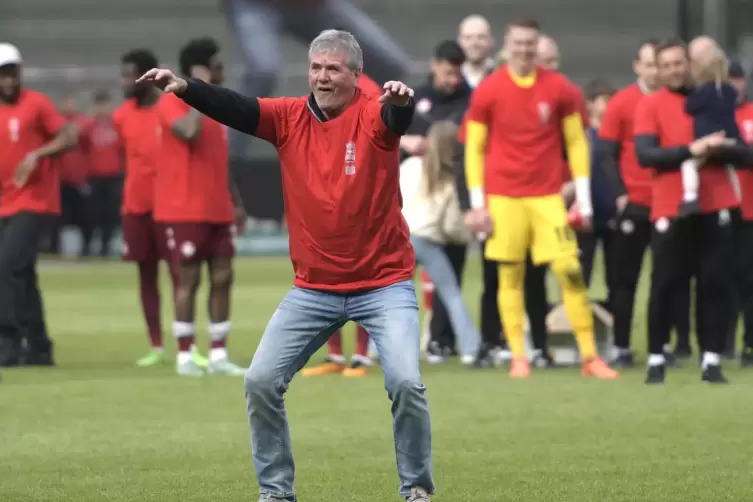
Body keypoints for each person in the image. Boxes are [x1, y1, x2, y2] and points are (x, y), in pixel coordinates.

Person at [136, 29, 434, 501]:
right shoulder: (288, 117)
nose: (321, 76)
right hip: (314, 289)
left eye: (333, 69)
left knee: (404, 381)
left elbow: (394, 119)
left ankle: (416, 489)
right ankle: (276, 493)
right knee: (259, 381)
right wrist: (187, 87)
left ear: (356, 76)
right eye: (316, 67)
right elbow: (237, 106)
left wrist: (400, 103)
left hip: (384, 284)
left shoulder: (373, 113)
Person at [463, 18, 618, 379]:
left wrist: (583, 199)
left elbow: (578, 142)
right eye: (518, 43)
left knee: (570, 270)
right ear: (507, 44)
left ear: (539, 46)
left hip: (548, 196)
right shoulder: (489, 90)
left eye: (530, 44)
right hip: (504, 196)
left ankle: (590, 357)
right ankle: (519, 355)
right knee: (510, 275)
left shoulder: (561, 89)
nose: (524, 50)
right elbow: (474, 147)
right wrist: (477, 202)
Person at [634, 39, 750, 385]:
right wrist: (691, 150)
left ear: (688, 64)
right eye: (665, 65)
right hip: (672, 206)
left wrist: (718, 149)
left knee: (715, 284)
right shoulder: (651, 105)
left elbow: (744, 152)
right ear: (657, 69)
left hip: (717, 204)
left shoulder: (713, 97)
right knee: (666, 284)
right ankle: (657, 355)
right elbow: (646, 155)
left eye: (677, 63)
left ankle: (711, 359)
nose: (673, 70)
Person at [154, 38, 247, 377]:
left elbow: (219, 162)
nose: (222, 72)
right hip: (186, 209)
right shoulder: (169, 104)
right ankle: (184, 356)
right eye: (216, 66)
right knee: (187, 281)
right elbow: (190, 133)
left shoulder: (221, 108)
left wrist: (236, 203)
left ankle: (219, 355)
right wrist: (198, 92)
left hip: (219, 208)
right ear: (201, 70)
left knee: (223, 277)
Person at [597, 38, 691, 367]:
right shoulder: (622, 102)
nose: (654, 71)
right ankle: (621, 346)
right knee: (625, 280)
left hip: (671, 204)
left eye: (659, 64)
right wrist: (620, 192)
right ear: (637, 66)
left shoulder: (681, 102)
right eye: (649, 64)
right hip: (636, 202)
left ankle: (665, 345)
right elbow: (606, 152)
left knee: (670, 278)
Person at [222, 0, 410, 161]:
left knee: (390, 66)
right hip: (256, 6)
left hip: (312, 6)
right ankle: (222, 155)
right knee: (263, 71)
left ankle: (355, 143)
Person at [0, 43, 76, 367]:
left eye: (12, 72)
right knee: (22, 273)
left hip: (34, 201)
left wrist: (37, 154)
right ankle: (40, 347)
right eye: (3, 74)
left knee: (7, 265)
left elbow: (68, 136)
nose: (9, 80)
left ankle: (9, 342)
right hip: (4, 202)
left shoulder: (36, 104)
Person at [302, 75, 380, 378]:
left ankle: (361, 356)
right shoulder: (318, 94)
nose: (326, 73)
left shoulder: (370, 92)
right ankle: (334, 354)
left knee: (362, 279)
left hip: (360, 201)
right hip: (324, 201)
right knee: (324, 277)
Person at [403, 40, 473, 363]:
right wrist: (407, 141)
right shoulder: (415, 99)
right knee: (439, 289)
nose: (452, 80)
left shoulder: (470, 97)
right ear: (434, 66)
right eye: (447, 73)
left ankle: (441, 342)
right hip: (426, 216)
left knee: (449, 280)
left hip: (452, 189)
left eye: (457, 73)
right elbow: (391, 133)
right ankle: (467, 347)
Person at [113, 49, 182, 367]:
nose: (125, 81)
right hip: (136, 207)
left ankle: (187, 340)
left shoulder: (170, 109)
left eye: (130, 74)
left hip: (170, 206)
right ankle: (156, 345)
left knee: (181, 276)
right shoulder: (121, 115)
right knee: (145, 275)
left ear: (144, 76)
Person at [401, 120, 480, 363]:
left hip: (401, 240)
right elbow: (451, 226)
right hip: (429, 242)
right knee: (451, 295)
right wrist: (464, 236)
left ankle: (376, 348)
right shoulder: (453, 179)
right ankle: (471, 349)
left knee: (391, 297)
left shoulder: (410, 166)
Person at [680, 46, 741, 216]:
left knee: (689, 164)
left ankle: (690, 198)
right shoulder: (728, 91)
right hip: (728, 137)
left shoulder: (703, 92)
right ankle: (736, 201)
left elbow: (689, 106)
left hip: (707, 139)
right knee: (729, 168)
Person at [574, 79, 617, 288]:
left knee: (617, 277)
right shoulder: (580, 135)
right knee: (580, 275)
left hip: (613, 213)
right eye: (607, 100)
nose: (612, 105)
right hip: (586, 217)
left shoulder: (616, 135)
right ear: (590, 103)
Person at [80, 90, 123, 257]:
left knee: (111, 214)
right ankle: (88, 245)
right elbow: (79, 140)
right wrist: (89, 118)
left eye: (105, 104)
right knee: (91, 214)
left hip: (114, 176)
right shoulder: (89, 125)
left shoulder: (116, 124)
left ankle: (105, 246)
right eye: (99, 105)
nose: (103, 109)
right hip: (94, 177)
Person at [731, 60, 753, 366]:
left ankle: (749, 343)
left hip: (749, 209)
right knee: (721, 281)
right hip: (721, 207)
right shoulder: (715, 115)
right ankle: (718, 343)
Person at [53, 91, 92, 257]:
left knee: (84, 218)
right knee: (58, 219)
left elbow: (87, 144)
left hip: (78, 181)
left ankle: (86, 249)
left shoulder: (82, 123)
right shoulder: (55, 122)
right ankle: (55, 249)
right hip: (60, 180)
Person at [457, 15, 495, 88]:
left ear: (491, 41)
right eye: (468, 38)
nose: (474, 43)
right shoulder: (452, 79)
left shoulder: (500, 75)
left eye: (481, 37)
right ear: (459, 42)